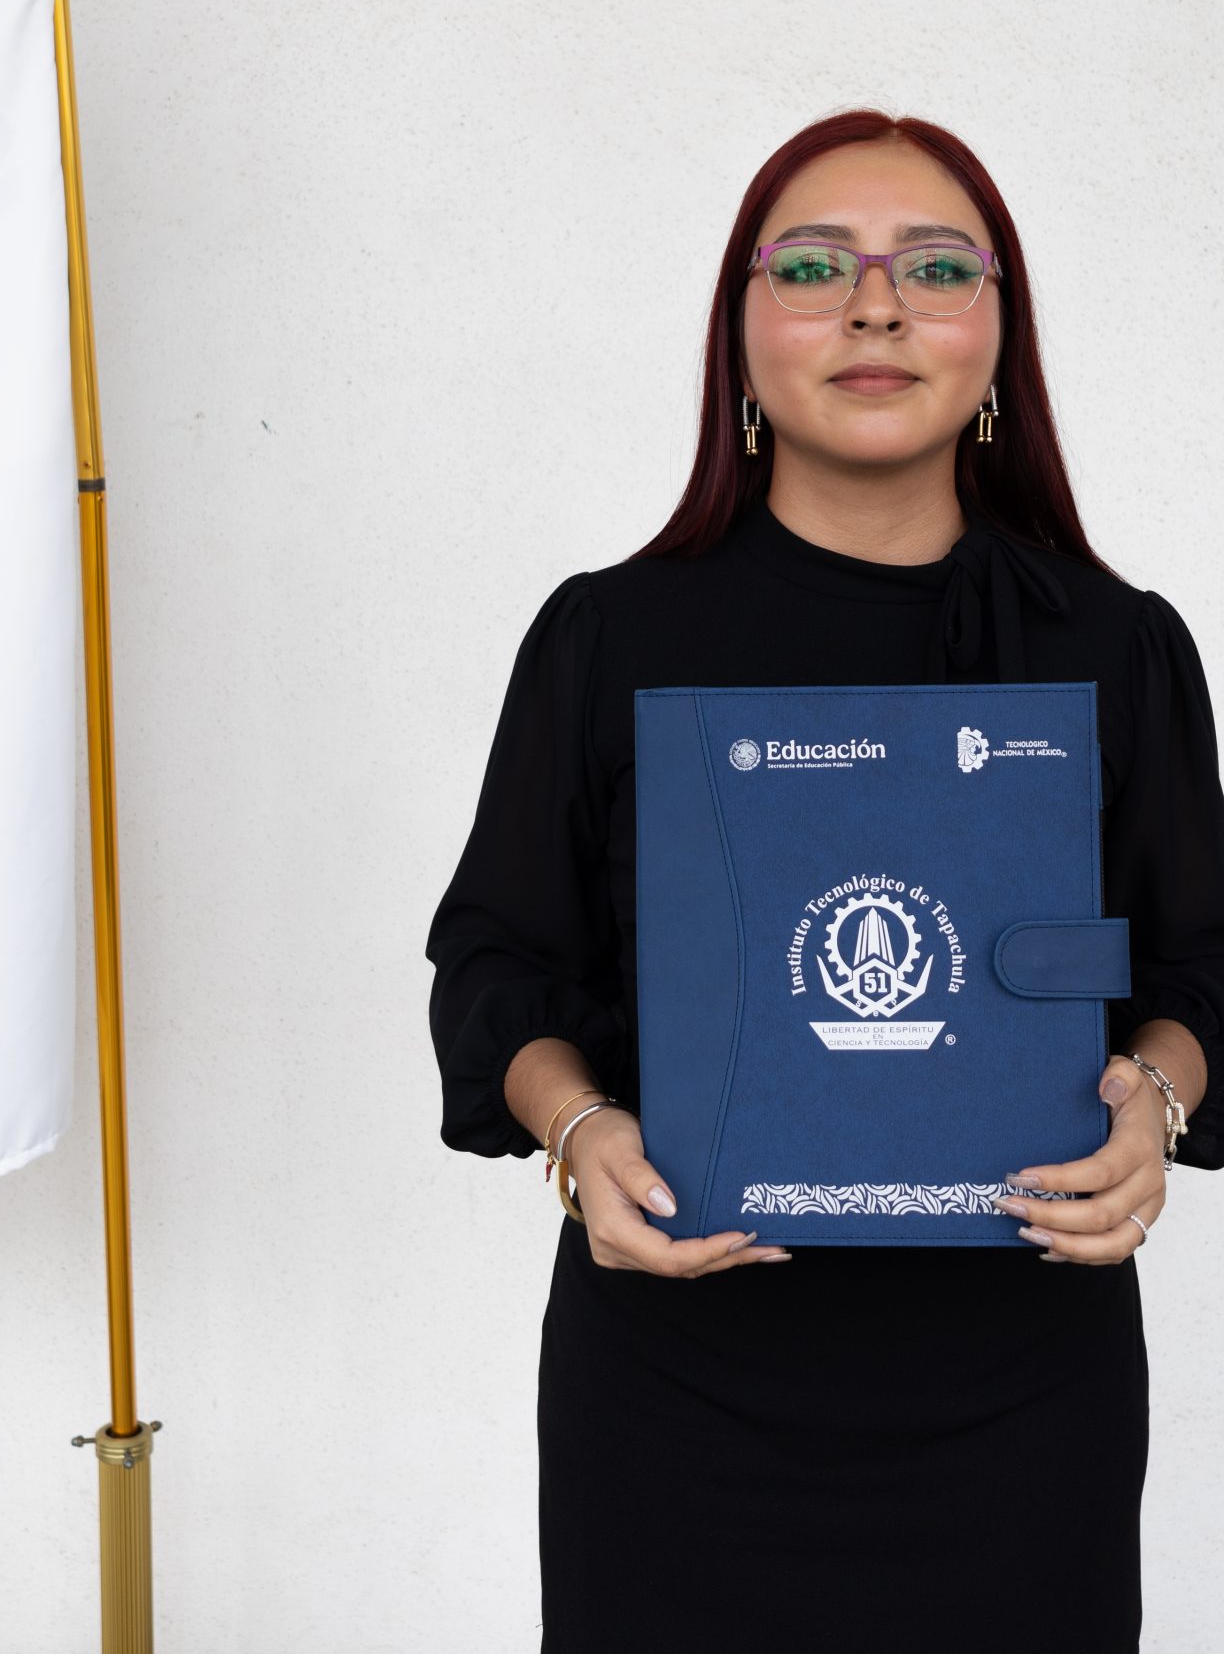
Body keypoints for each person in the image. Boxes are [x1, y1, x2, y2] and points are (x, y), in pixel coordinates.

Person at [424, 107, 1224, 1654]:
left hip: (1020, 1403)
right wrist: (577, 1132)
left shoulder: (1116, 646)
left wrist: (1157, 1104)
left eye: (934, 267)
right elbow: (497, 962)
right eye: (811, 266)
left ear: (1001, 332)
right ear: (739, 333)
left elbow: (1204, 964)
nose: (874, 307)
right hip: (677, 1396)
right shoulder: (609, 638)